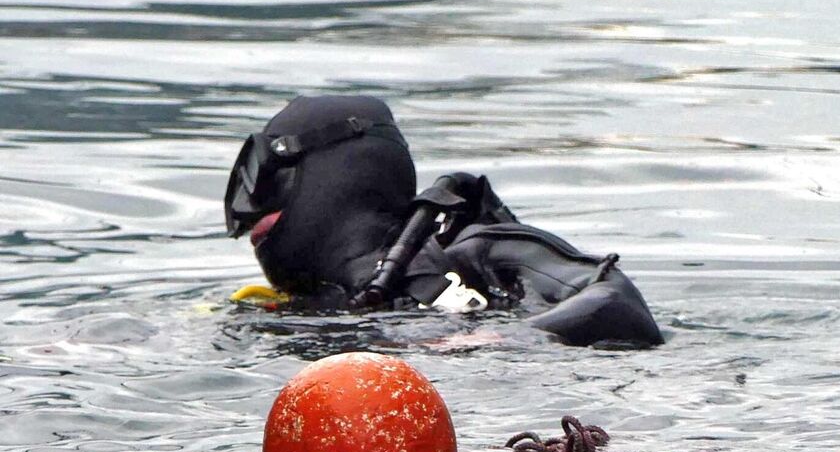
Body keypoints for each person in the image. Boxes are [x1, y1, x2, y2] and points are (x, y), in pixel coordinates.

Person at [223, 95, 663, 347]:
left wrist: (499, 340)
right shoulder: (282, 316)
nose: (251, 210)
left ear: (338, 176)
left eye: (267, 180)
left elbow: (616, 303)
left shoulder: (481, 256)